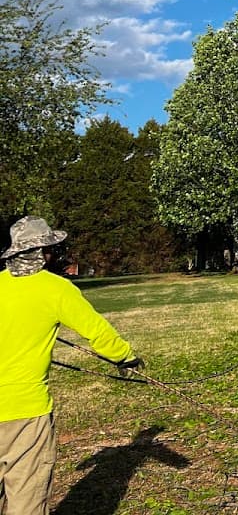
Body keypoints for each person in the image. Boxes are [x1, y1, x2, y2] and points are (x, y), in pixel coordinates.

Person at [0, 216, 143, 514]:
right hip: (25, 413)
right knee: (25, 499)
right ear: (44, 253)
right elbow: (98, 331)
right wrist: (125, 356)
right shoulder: (56, 288)